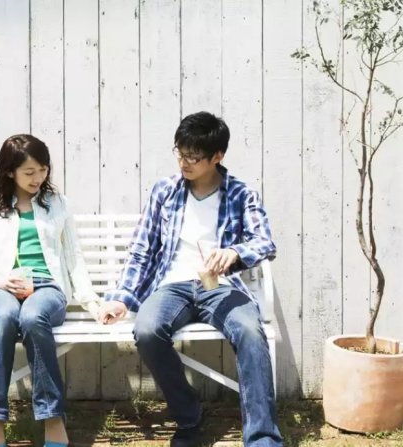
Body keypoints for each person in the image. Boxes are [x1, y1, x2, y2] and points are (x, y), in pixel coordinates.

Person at [98, 111, 283, 447]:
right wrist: (123, 298)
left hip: (222, 288)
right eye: (180, 153)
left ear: (217, 156)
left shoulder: (242, 194)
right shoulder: (165, 190)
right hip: (172, 286)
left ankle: (263, 439)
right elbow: (142, 250)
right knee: (147, 330)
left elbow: (265, 242)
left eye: (193, 157)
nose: (184, 162)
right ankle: (189, 415)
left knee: (250, 332)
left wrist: (235, 253)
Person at [0, 134, 101, 447]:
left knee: (32, 317)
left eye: (43, 170)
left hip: (46, 288)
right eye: (29, 172)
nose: (37, 178)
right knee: (4, 316)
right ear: (9, 171)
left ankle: (52, 418)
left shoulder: (57, 204)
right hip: (0, 286)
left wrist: (92, 302)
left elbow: (73, 257)